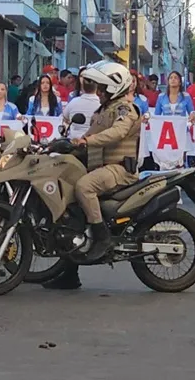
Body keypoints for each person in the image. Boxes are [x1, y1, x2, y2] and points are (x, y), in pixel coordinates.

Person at [44, 61, 139, 290]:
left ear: (115, 87)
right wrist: (62, 145)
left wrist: (86, 141)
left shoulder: (125, 109)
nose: (99, 91)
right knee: (69, 206)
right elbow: (87, 138)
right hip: (100, 167)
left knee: (84, 187)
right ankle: (69, 272)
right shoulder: (102, 110)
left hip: (119, 169)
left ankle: (102, 235)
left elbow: (118, 133)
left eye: (102, 87)